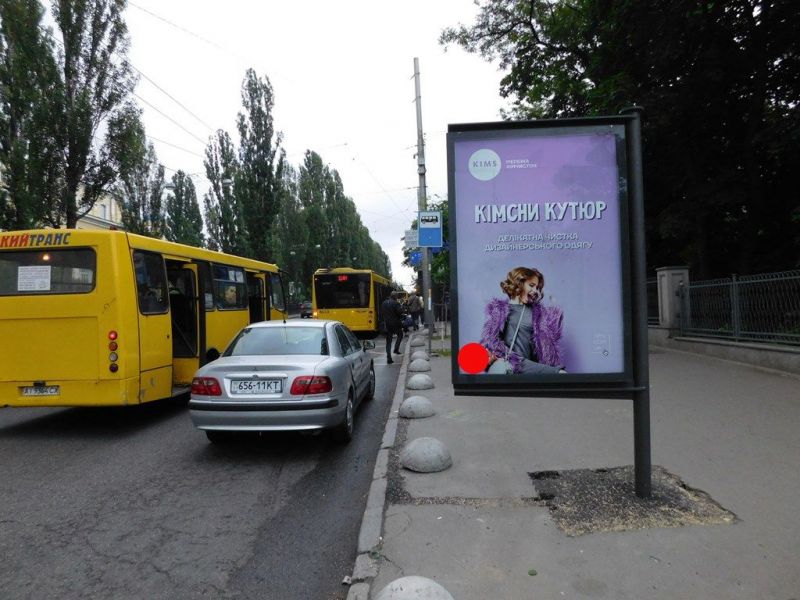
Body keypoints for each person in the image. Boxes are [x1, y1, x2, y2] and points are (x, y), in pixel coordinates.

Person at [480, 267, 566, 374]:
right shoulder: (498, 311)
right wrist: (492, 356)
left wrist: (554, 315)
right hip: (508, 370)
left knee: (560, 375)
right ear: (519, 283)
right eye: (531, 285)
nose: (535, 291)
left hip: (532, 372)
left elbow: (548, 348)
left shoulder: (539, 314)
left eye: (537, 287)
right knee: (559, 373)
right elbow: (490, 343)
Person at [380, 291, 405, 364]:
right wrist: (402, 308)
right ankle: (396, 349)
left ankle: (389, 358)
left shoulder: (384, 303)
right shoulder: (396, 303)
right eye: (397, 296)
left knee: (388, 341)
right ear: (395, 296)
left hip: (386, 324)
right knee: (400, 335)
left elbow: (381, 313)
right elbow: (399, 312)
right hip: (395, 323)